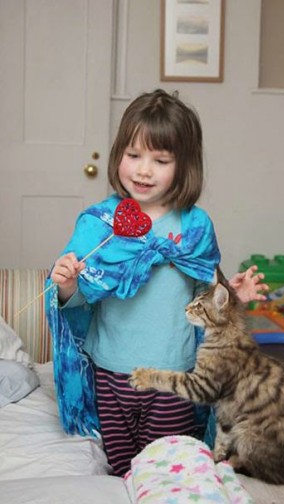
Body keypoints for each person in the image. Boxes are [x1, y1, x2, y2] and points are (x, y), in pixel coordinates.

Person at [46, 89, 230, 476]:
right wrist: (65, 284)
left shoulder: (195, 227)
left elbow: (207, 294)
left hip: (172, 375)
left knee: (163, 472)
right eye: (134, 156)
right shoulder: (98, 224)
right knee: (120, 472)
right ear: (118, 156)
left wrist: (232, 296)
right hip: (110, 372)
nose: (143, 171)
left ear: (183, 165)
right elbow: (79, 297)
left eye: (160, 160)